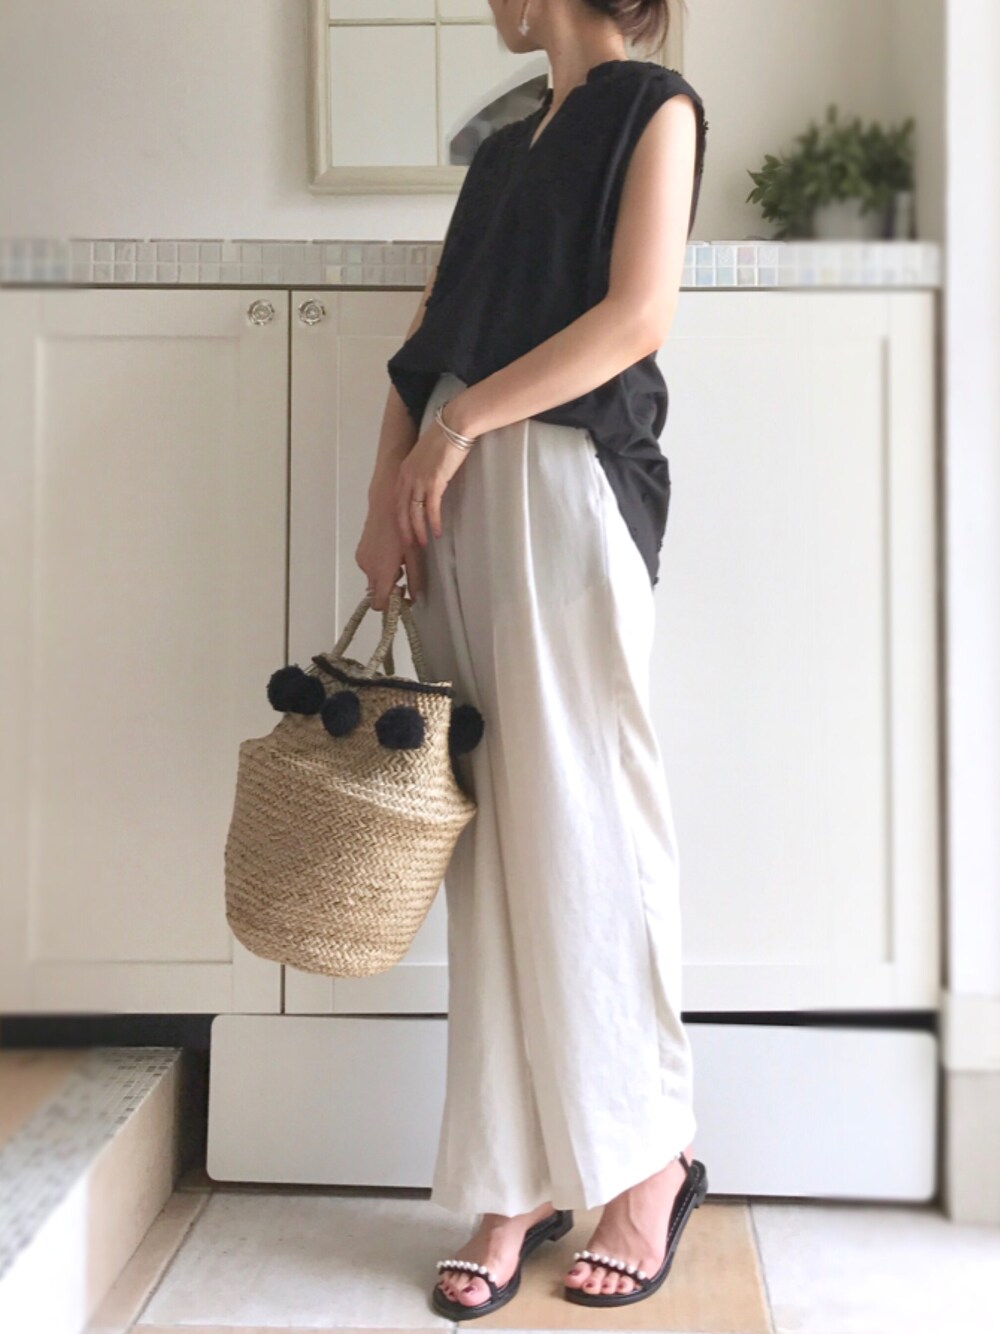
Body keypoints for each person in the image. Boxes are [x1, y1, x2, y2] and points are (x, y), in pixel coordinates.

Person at [355, 0, 710, 1320]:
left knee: (589, 827)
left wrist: (455, 437)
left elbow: (636, 319)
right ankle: (513, 1177)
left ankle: (650, 1160)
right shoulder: (505, 145)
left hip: (563, 488)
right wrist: (387, 488)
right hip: (451, 507)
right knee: (492, 847)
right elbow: (430, 337)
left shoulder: (655, 108)